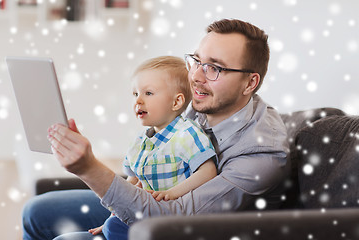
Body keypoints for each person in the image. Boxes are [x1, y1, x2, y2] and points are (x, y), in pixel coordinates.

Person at [22, 18, 290, 240]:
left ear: (249, 83)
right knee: (35, 212)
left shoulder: (261, 154)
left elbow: (171, 219)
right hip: (155, 199)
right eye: (196, 61)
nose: (195, 76)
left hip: (177, 228)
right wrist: (133, 182)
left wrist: (89, 168)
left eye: (214, 68)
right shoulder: (204, 102)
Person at [88, 56, 217, 236]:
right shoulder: (140, 142)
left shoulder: (187, 133)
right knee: (112, 225)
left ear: (176, 102)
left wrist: (172, 193)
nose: (138, 101)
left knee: (114, 228)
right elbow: (132, 180)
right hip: (145, 213)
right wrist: (115, 214)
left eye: (148, 93)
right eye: (135, 94)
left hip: (174, 219)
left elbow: (208, 171)